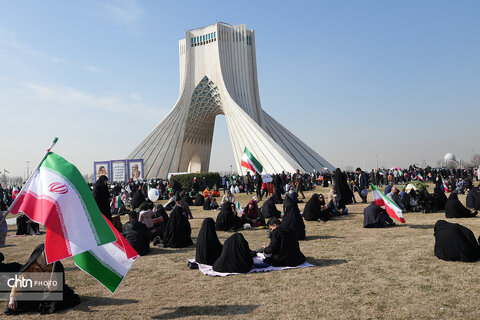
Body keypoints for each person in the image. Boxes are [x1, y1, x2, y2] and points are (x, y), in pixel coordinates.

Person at [5, 244, 80, 315]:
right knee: (17, 301)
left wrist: (52, 288)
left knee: (62, 298)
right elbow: (20, 281)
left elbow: (58, 284)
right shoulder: (31, 266)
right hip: (33, 291)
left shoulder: (55, 265)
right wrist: (12, 297)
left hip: (48, 293)